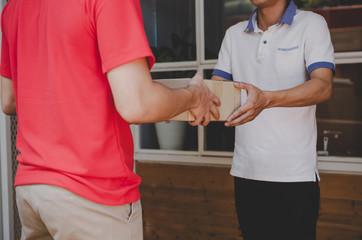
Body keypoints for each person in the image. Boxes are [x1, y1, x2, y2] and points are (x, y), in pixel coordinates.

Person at [0, 0, 220, 239]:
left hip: (32, 190)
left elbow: (8, 100)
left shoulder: (14, 6)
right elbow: (137, 105)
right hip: (91, 194)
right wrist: (193, 96)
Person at [212, 0, 334, 239]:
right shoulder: (234, 34)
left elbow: (323, 86)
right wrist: (186, 103)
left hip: (295, 175)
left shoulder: (311, 24)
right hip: (247, 172)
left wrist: (266, 99)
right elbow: (216, 90)